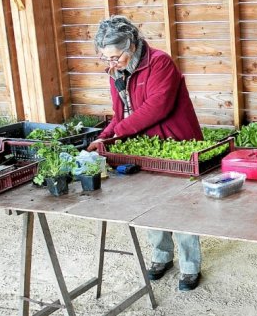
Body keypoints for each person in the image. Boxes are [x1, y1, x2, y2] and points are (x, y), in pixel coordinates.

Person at [87, 15, 204, 291]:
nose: (112, 64)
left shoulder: (160, 63)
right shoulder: (116, 72)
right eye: (106, 59)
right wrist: (103, 137)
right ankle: (161, 257)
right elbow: (120, 114)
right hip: (144, 147)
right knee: (150, 204)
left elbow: (157, 107)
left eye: (115, 58)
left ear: (132, 46)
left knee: (182, 206)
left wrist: (119, 133)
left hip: (176, 143)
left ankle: (190, 266)